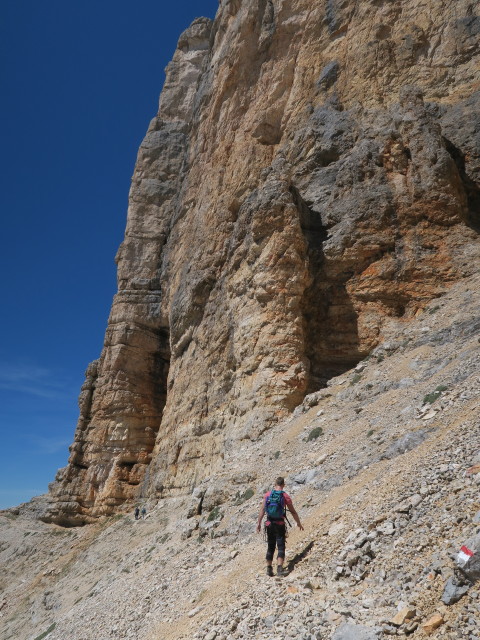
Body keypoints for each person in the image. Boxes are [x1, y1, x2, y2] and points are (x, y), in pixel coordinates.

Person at [256, 476, 304, 577]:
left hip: (269, 524)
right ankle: (280, 569)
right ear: (283, 485)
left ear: (275, 484)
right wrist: (298, 523)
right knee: (281, 546)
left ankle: (269, 569)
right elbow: (293, 512)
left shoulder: (268, 495)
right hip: (280, 524)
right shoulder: (285, 496)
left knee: (271, 546)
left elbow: (262, 510)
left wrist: (259, 523)